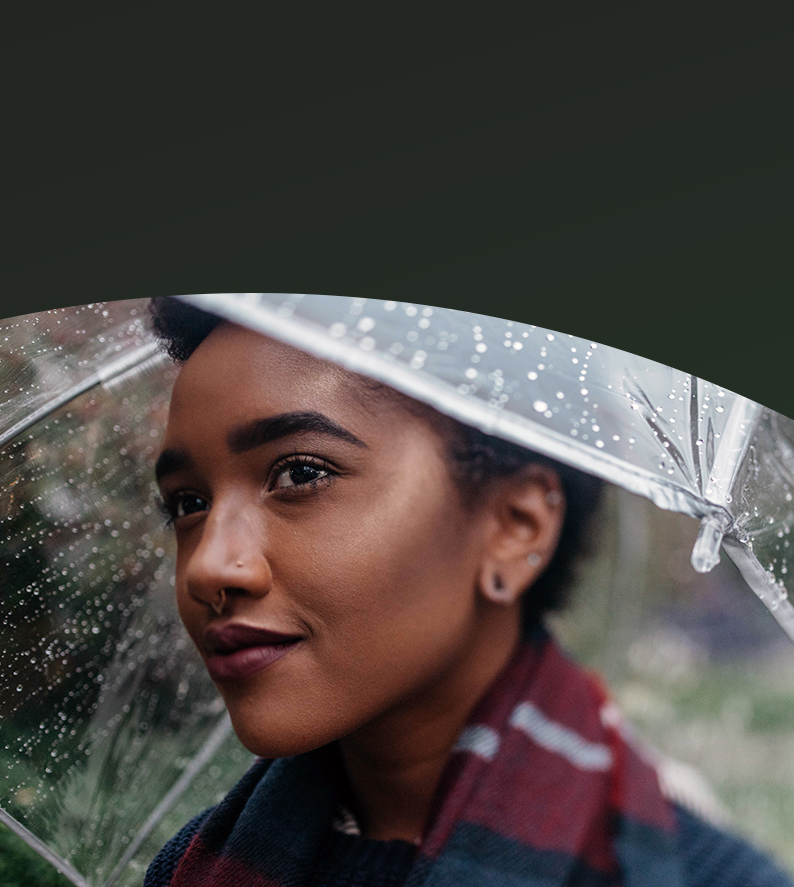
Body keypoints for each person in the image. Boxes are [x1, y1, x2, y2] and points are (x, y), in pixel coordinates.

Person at [143, 296, 793, 887]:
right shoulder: (192, 867)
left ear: (515, 527)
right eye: (189, 503)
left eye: (300, 473)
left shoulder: (701, 878)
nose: (208, 567)